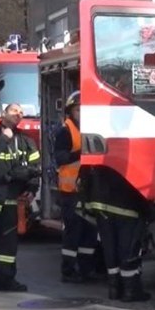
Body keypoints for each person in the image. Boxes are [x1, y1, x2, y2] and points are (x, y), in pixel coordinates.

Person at [0, 103, 41, 296]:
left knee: (8, 247)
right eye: (14, 111)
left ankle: (6, 281)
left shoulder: (26, 140)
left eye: (21, 113)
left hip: (12, 200)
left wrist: (31, 188)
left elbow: (35, 168)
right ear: (4, 114)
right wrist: (4, 139)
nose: (18, 115)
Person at [81, 166, 151, 302]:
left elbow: (85, 173)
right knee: (128, 249)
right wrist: (150, 209)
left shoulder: (103, 148)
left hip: (100, 203)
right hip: (125, 204)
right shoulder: (129, 151)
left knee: (110, 249)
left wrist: (87, 202)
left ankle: (114, 289)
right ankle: (130, 291)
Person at [55, 91, 98, 283]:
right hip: (70, 191)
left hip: (89, 191)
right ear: (71, 111)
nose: (82, 113)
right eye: (78, 109)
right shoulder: (65, 131)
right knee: (73, 231)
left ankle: (86, 269)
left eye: (84, 109)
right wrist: (83, 153)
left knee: (89, 231)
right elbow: (60, 158)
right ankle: (68, 270)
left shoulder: (93, 129)